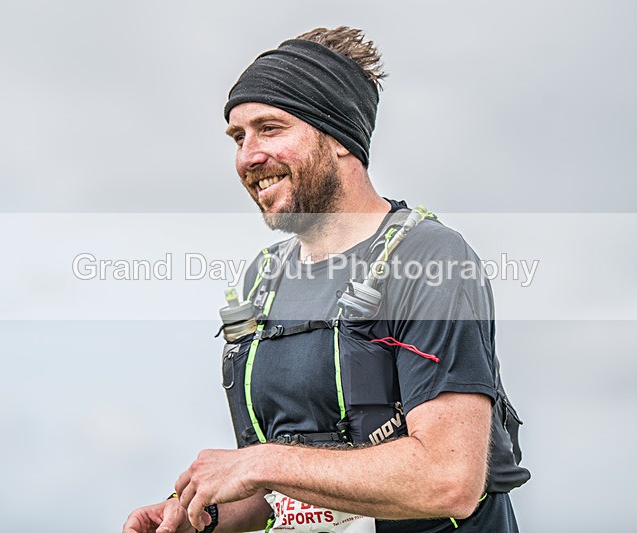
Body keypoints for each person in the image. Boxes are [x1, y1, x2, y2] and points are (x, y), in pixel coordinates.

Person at [124, 26, 530, 533]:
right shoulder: (261, 281)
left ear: (338, 137)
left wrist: (258, 463)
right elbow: (283, 494)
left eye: (269, 128)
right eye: (238, 137)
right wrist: (196, 515)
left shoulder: (429, 259)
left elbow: (448, 479)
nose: (247, 156)